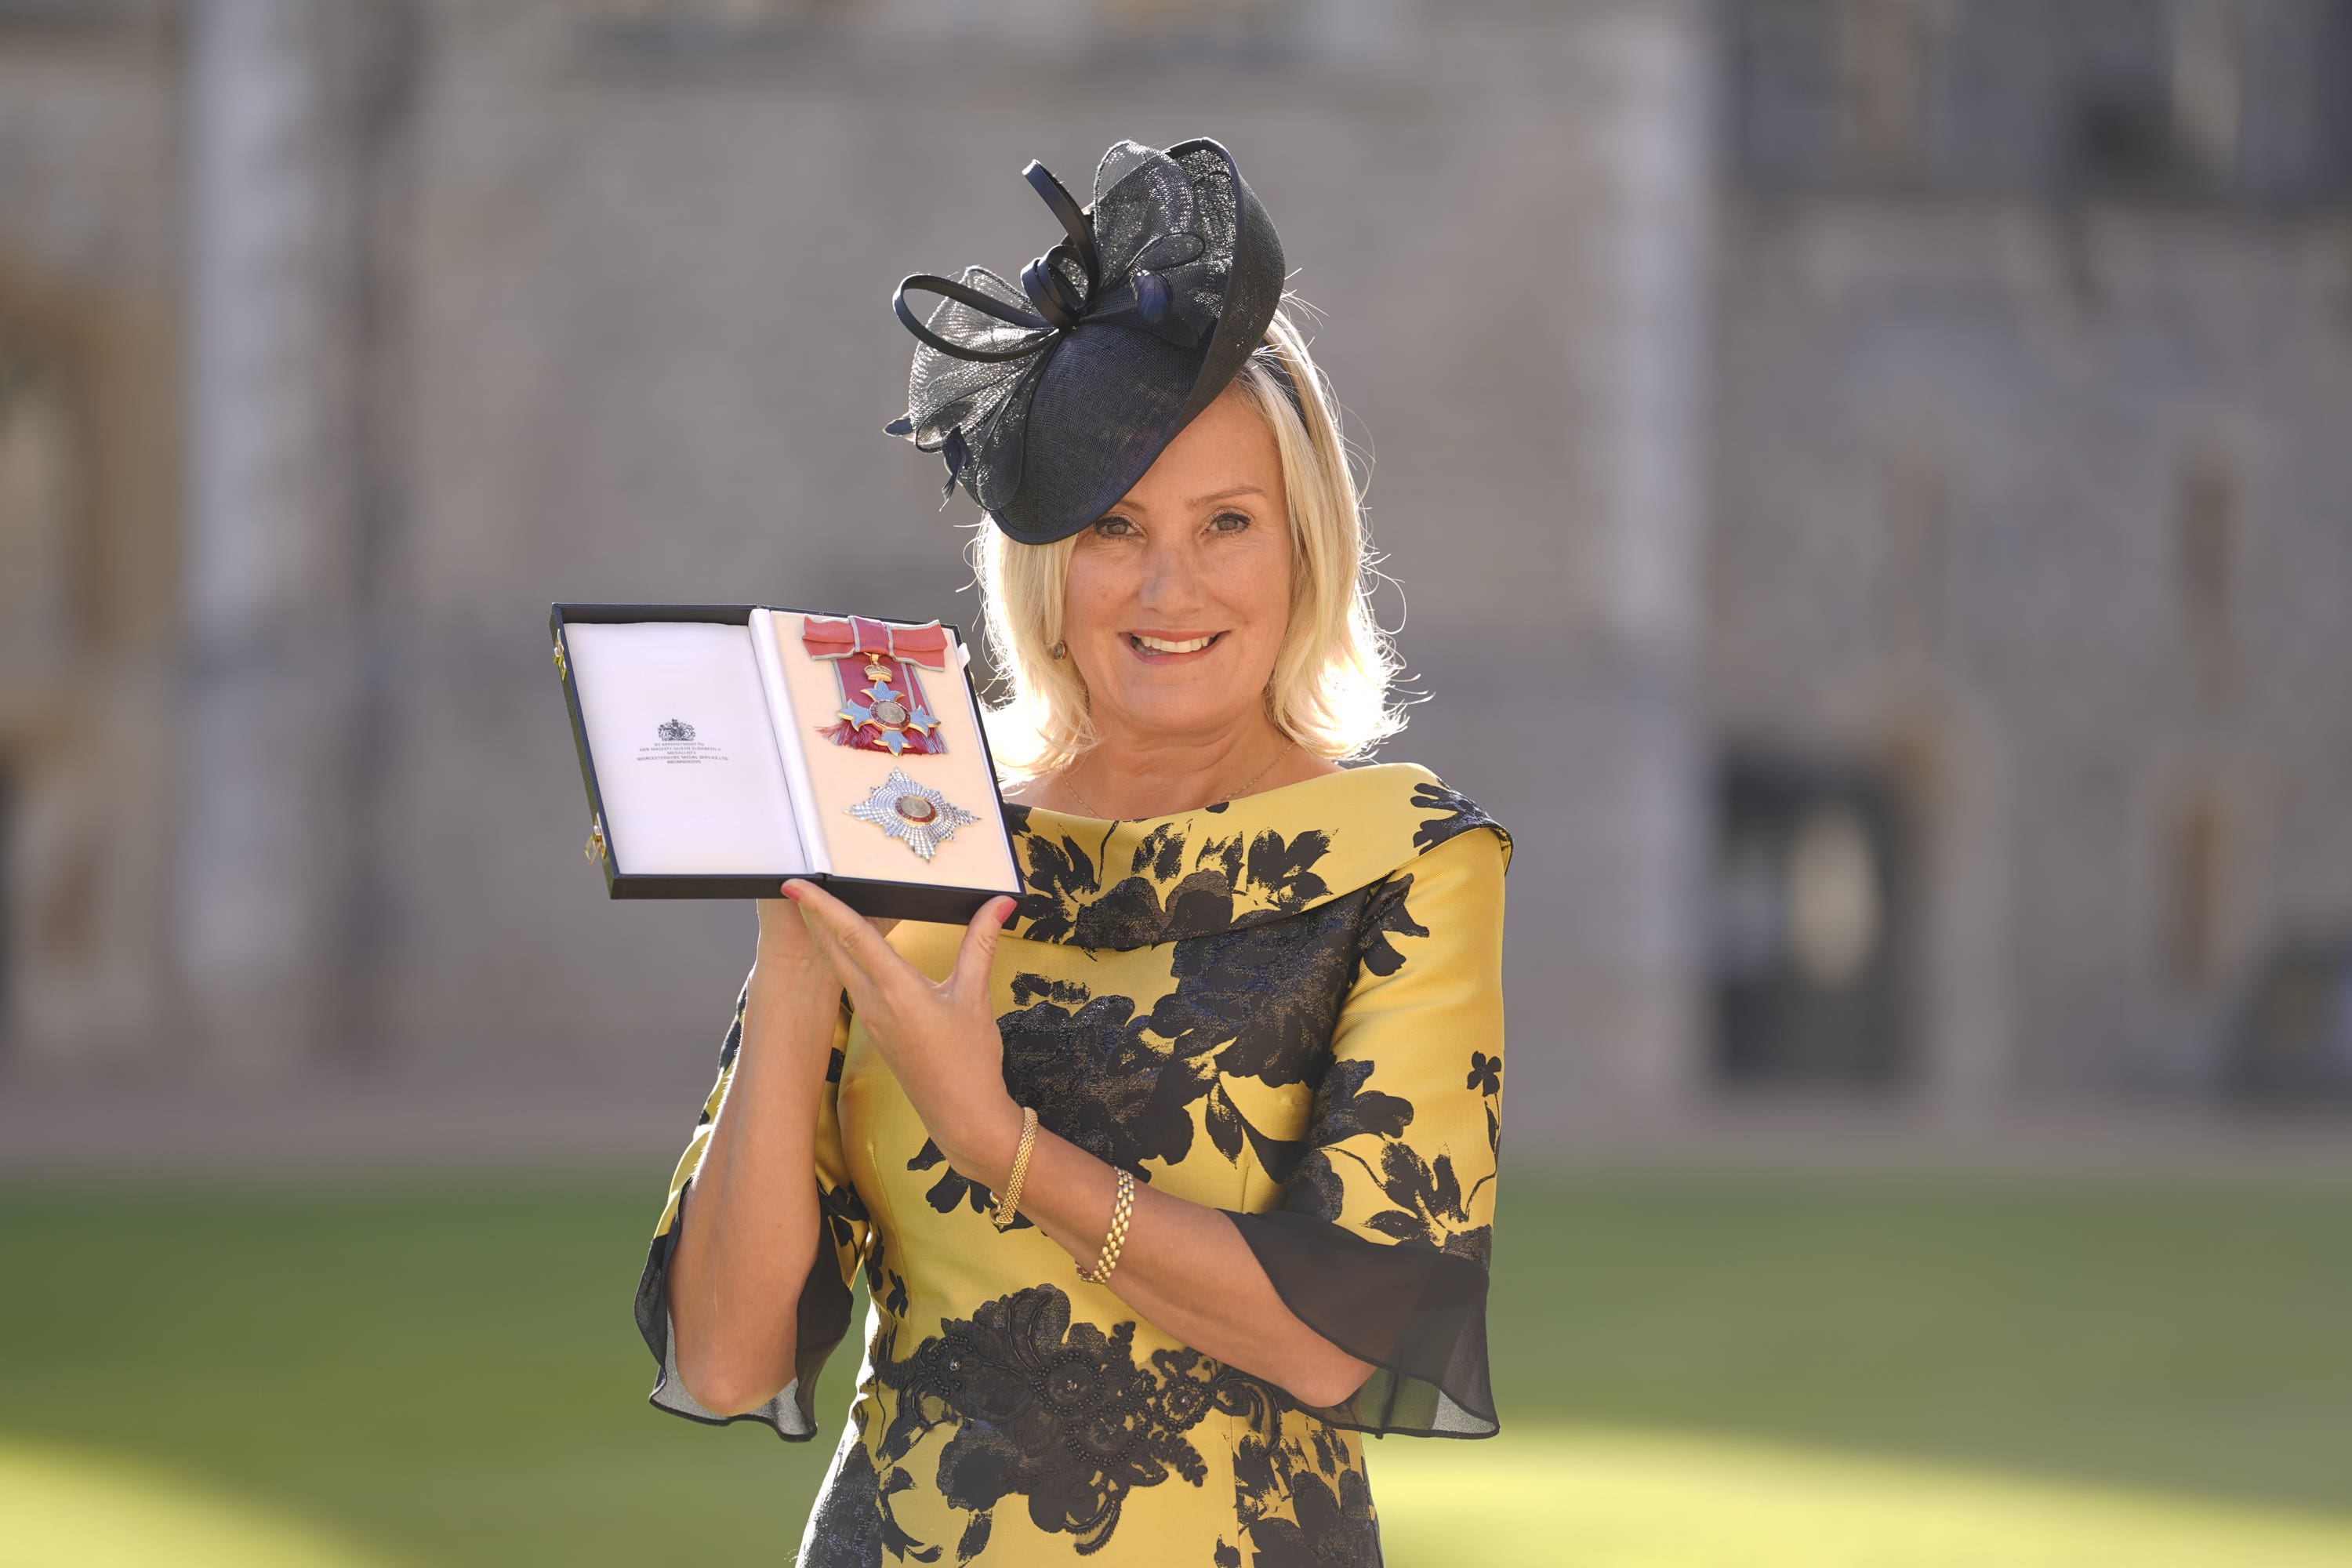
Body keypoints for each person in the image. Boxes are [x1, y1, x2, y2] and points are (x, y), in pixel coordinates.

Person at [633, 136, 1511, 1566]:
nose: (1170, 587)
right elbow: (730, 1364)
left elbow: (1335, 1346)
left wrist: (998, 1143)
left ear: (1306, 547)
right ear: (1045, 559)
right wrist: (795, 942)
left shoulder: (1405, 863)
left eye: (1227, 524)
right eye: (1116, 527)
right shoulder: (911, 825)